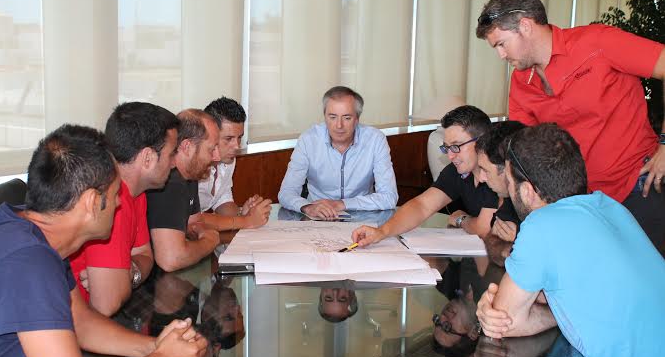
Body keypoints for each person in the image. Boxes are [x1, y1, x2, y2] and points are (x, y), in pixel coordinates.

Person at [0, 125, 207, 357]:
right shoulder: (26, 263)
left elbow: (80, 321)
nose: (120, 203)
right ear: (91, 203)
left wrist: (155, 346)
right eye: (115, 195)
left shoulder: (33, 233)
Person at [475, 123, 665, 357]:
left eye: (509, 182)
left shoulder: (541, 225)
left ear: (527, 191)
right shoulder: (609, 207)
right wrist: (553, 310)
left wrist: (492, 309)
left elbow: (505, 322)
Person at [476, 0, 665, 252]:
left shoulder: (598, 42)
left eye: (501, 44)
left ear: (525, 26)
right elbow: (523, 152)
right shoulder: (521, 83)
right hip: (583, 205)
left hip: (639, 186)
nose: (501, 55)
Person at [70, 102, 179, 316]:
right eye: (171, 154)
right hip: (75, 325)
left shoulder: (136, 193)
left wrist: (129, 273)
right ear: (147, 158)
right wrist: (125, 275)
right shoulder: (108, 201)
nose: (174, 163)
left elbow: (145, 255)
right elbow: (106, 304)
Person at [352, 105, 498, 247]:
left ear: (481, 142)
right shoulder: (457, 170)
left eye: (456, 146)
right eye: (446, 148)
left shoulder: (498, 172)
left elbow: (484, 228)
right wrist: (382, 232)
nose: (450, 156)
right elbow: (422, 206)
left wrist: (461, 219)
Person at [278, 86, 398, 219]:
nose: (339, 125)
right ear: (325, 117)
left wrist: (342, 204)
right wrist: (308, 207)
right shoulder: (308, 140)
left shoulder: (375, 140)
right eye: (332, 117)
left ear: (357, 119)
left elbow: (389, 197)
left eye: (347, 118)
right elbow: (286, 193)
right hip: (317, 218)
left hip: (364, 217)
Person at [147, 109, 221, 272]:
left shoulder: (190, 173)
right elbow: (171, 259)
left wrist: (199, 233)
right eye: (211, 149)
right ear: (187, 147)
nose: (217, 157)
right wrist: (210, 241)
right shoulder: (169, 181)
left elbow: (194, 224)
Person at [197, 96, 272, 231]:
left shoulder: (228, 159)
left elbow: (222, 200)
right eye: (228, 138)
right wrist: (246, 221)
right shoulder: (191, 165)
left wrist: (243, 213)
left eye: (239, 138)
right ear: (209, 134)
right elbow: (192, 220)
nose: (236, 146)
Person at [475, 120, 526, 265]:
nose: (481, 178)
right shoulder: (510, 199)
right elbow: (492, 241)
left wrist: (520, 241)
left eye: (485, 170)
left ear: (508, 169)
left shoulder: (547, 203)